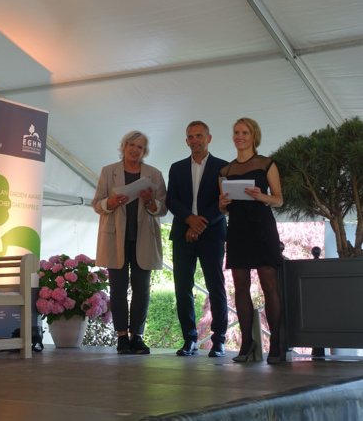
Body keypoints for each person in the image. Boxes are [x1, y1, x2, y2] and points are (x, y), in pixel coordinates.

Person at [92, 131, 167, 354]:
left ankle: (138, 336)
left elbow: (162, 208)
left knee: (142, 290)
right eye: (131, 145)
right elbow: (97, 204)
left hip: (143, 238)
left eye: (140, 147)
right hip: (116, 239)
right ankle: (122, 338)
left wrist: (150, 202)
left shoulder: (154, 174)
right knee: (117, 290)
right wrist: (111, 201)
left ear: (145, 151)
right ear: (123, 147)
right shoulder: (108, 171)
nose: (135, 150)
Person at [218, 118, 283, 364]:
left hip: (262, 228)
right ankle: (247, 343)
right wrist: (222, 205)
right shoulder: (225, 171)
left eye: (244, 132)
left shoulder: (267, 164)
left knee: (269, 285)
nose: (239, 136)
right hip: (237, 230)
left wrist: (261, 196)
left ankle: (275, 343)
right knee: (240, 287)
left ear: (253, 136)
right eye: (236, 132)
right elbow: (223, 207)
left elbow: (279, 200)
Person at [167, 121, 229, 358]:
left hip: (212, 233)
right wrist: (190, 220)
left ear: (209, 138)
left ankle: (219, 340)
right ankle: (189, 339)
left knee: (216, 286)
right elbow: (171, 200)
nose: (195, 140)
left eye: (199, 136)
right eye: (191, 137)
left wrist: (200, 224)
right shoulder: (176, 167)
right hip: (183, 233)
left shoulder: (223, 168)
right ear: (186, 141)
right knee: (182, 287)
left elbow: (224, 202)